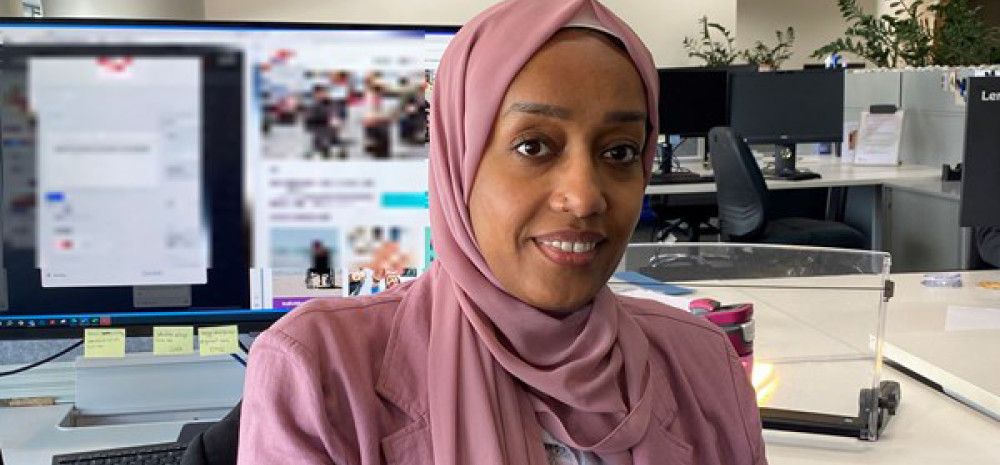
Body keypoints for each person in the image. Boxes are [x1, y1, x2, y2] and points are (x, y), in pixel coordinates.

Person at [238, 1, 766, 464]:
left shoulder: (703, 364)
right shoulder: (319, 371)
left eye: (620, 152)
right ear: (458, 164)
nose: (584, 197)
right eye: (533, 146)